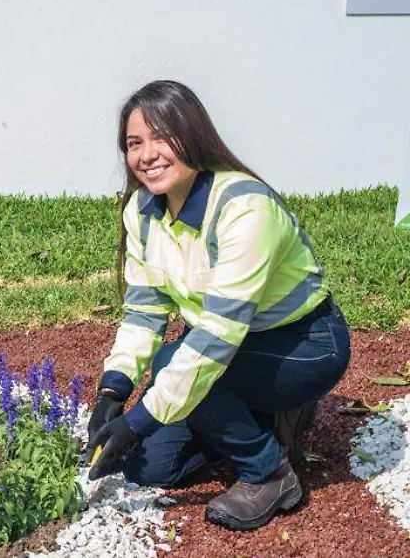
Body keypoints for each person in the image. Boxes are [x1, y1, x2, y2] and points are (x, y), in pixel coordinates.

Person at [85, 80, 350, 531]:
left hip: (304, 345)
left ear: (194, 134)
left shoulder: (245, 208)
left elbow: (215, 338)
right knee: (148, 469)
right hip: (229, 347)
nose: (147, 154)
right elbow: (144, 311)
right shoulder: (142, 211)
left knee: (176, 362)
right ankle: (260, 415)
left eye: (161, 137)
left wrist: (140, 420)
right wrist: (114, 390)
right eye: (134, 143)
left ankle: (269, 473)